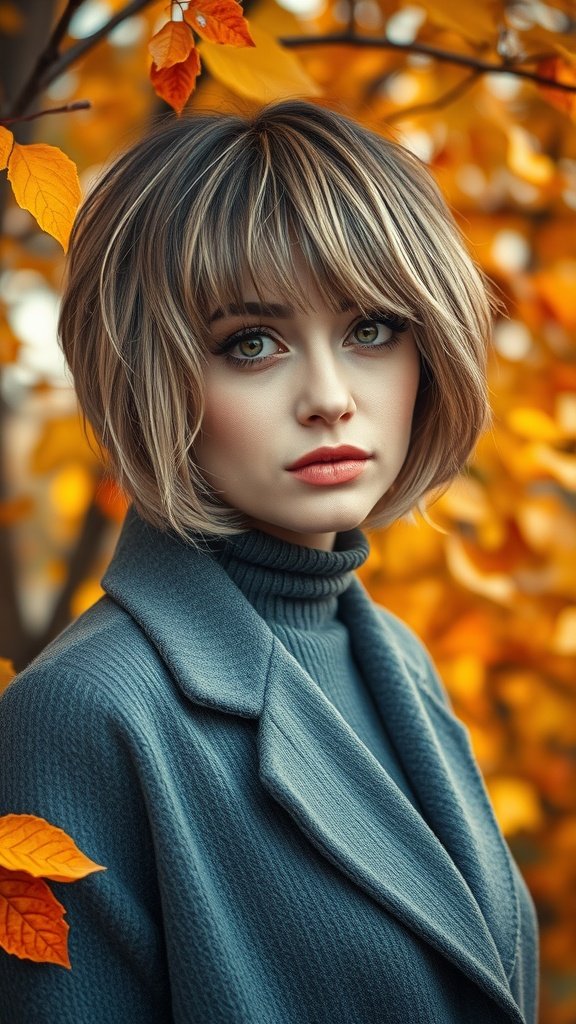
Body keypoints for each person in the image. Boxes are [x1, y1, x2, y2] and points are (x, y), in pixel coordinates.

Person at [0, 99, 538, 1024]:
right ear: (150, 372)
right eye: (251, 344)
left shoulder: (398, 658)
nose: (330, 398)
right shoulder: (79, 717)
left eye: (371, 328)